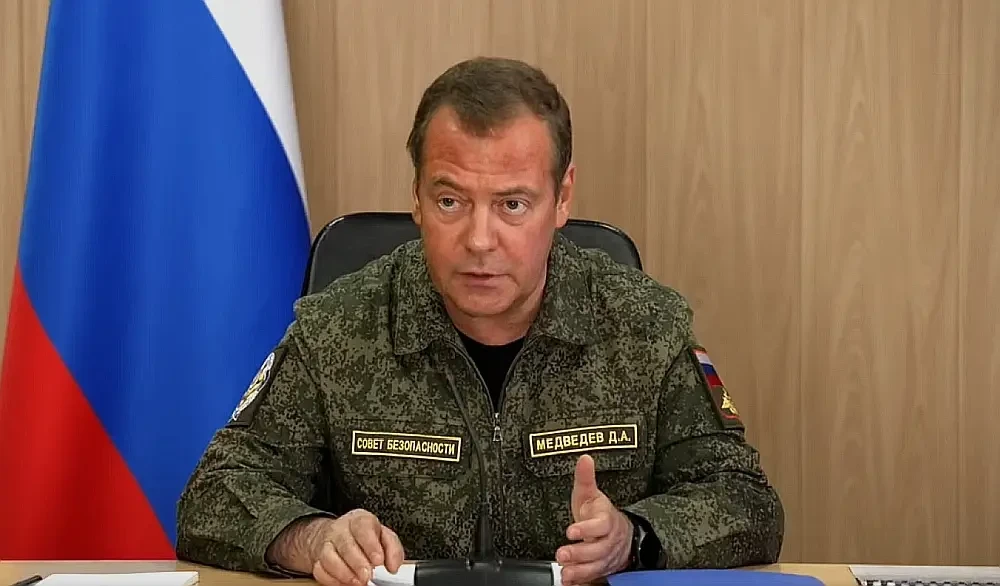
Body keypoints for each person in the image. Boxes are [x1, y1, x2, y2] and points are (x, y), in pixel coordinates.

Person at [175, 56, 784, 586]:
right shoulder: (337, 329)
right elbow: (213, 496)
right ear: (416, 196)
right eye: (450, 201)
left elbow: (746, 501)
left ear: (562, 197)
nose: (479, 240)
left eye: (512, 204)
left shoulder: (644, 327)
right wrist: (313, 539)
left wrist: (634, 537)